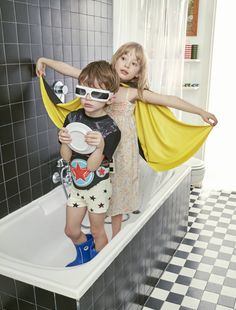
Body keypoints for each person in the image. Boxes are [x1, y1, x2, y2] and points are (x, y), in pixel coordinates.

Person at [36, 42, 218, 238]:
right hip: (99, 148)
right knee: (96, 186)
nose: (127, 65)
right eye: (124, 58)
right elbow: (70, 70)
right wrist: (44, 60)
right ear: (116, 59)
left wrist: (201, 112)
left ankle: (115, 237)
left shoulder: (133, 93)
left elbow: (170, 99)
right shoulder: (100, 82)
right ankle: (97, 229)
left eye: (134, 63)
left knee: (119, 193)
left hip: (123, 152)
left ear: (138, 73)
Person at [58, 60, 121, 266]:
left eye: (96, 93)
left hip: (98, 189)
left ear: (109, 99)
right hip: (77, 187)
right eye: (83, 90)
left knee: (96, 229)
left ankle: (100, 267)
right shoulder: (73, 117)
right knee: (71, 230)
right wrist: (65, 141)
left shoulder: (111, 129)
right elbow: (67, 157)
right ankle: (86, 253)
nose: (87, 98)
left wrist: (100, 147)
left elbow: (93, 166)